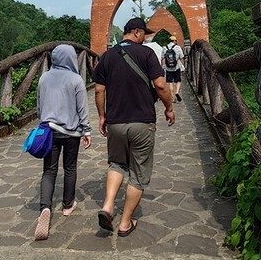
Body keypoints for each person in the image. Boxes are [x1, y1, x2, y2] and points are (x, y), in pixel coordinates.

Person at [93, 17, 175, 237]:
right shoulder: (147, 54)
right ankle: (125, 223)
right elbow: (160, 85)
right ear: (137, 32)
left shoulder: (107, 56)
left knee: (117, 164)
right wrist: (169, 108)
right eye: (144, 34)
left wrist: (102, 117)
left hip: (116, 123)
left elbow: (99, 90)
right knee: (138, 174)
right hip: (142, 122)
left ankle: (108, 206)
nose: (145, 38)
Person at [34, 44, 93, 241]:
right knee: (70, 168)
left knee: (49, 171)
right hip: (71, 132)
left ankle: (45, 207)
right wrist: (87, 130)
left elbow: (39, 106)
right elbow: (82, 108)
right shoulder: (76, 79)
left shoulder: (44, 77)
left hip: (49, 130)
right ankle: (68, 205)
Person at [163, 35, 185, 102]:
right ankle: (177, 92)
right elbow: (181, 57)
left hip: (168, 68)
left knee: (170, 82)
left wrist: (162, 67)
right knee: (178, 81)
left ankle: (173, 98)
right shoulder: (177, 47)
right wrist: (183, 67)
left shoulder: (165, 48)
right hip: (176, 67)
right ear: (175, 41)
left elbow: (163, 58)